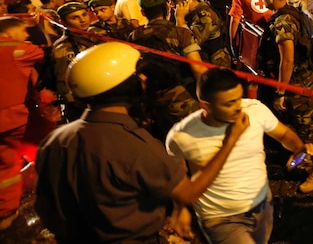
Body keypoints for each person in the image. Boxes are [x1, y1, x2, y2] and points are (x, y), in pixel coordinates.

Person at [36, 43, 248, 244]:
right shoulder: (136, 146)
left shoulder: (54, 141)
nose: (145, 81)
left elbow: (46, 208)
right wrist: (230, 141)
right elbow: (188, 192)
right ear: (130, 87)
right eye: (140, 78)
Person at [166, 68, 313, 244]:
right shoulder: (181, 136)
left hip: (262, 205)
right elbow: (178, 181)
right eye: (229, 103)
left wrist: (298, 148)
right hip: (220, 218)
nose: (238, 107)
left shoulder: (254, 110)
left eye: (239, 98)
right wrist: (179, 209)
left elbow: (283, 134)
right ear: (206, 106)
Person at [262, 0, 313, 193]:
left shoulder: (283, 21)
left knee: (308, 126)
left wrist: (281, 91)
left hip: (295, 82)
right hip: (302, 78)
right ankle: (309, 160)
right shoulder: (292, 13)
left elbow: (288, 60)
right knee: (301, 124)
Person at [128, 0, 205, 138]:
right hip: (183, 100)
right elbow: (199, 70)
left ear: (143, 12)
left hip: (153, 103)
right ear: (166, 7)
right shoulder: (180, 33)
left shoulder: (134, 36)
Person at [0, 17, 46, 231]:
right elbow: (39, 52)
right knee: (8, 166)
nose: (26, 36)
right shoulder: (16, 49)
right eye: (22, 31)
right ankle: (7, 216)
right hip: (9, 120)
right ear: (8, 34)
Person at [51, 2, 100, 121]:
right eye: (75, 18)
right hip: (83, 107)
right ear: (63, 22)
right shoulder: (63, 48)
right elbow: (64, 83)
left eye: (84, 14)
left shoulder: (95, 36)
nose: (82, 20)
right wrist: (79, 105)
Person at [169, 0, 231, 69]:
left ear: (187, 2)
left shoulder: (205, 17)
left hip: (214, 65)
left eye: (174, 1)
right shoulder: (193, 11)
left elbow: (189, 43)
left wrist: (180, 19)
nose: (171, 5)